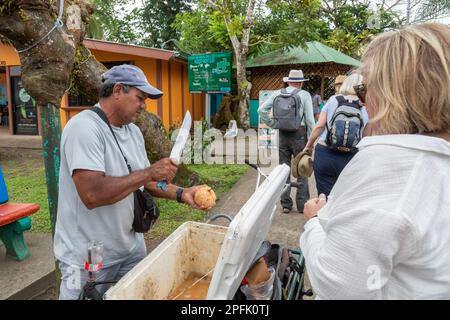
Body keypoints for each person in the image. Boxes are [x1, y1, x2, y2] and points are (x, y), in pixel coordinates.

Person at [300, 23, 450, 299]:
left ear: (394, 93)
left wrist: (314, 221)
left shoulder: (391, 170)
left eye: (365, 89)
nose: (364, 102)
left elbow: (337, 284)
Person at [54, 64, 211, 300]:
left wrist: (181, 192)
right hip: (88, 259)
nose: (143, 105)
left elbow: (141, 183)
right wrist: (149, 172)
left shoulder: (133, 132)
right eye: (139, 97)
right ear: (118, 90)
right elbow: (92, 194)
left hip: (130, 249)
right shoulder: (84, 128)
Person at [302, 73, 370, 197]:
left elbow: (319, 126)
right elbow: (367, 134)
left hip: (325, 153)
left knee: (324, 197)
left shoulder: (333, 100)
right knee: (345, 198)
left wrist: (309, 146)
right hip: (351, 157)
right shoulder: (366, 106)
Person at [258, 69, 315, 214]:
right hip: (299, 135)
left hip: (283, 134)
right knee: (302, 169)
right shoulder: (305, 95)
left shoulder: (277, 94)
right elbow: (309, 120)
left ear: (288, 81)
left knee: (283, 170)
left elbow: (261, 111)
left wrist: (274, 124)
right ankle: (302, 205)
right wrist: (311, 142)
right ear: (301, 83)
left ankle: (285, 205)